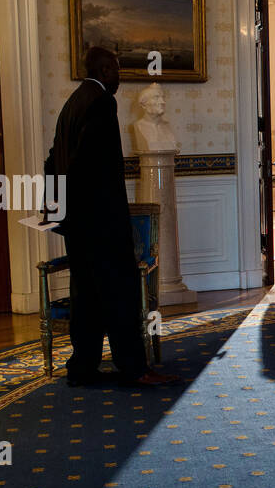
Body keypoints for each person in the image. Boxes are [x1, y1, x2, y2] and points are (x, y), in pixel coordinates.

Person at [44, 46, 178, 387]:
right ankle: (134, 368)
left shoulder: (73, 102)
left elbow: (53, 161)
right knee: (121, 293)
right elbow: (93, 167)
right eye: (116, 70)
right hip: (101, 221)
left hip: (77, 222)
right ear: (105, 70)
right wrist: (109, 219)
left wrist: (60, 208)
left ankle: (83, 368)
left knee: (86, 296)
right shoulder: (103, 101)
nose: (119, 77)